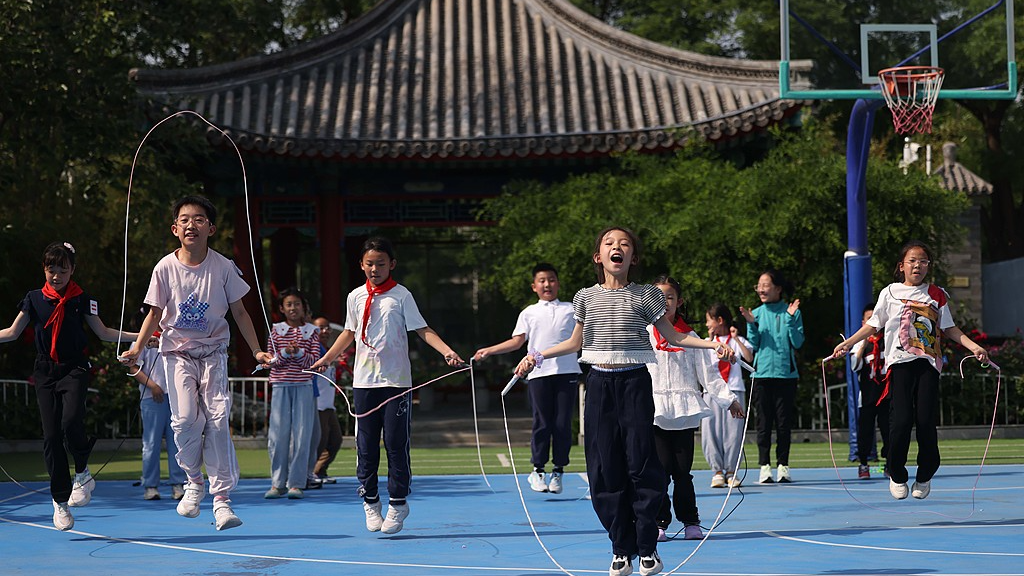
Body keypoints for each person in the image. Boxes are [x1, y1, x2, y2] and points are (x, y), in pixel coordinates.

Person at [514, 227, 734, 576]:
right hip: (599, 384)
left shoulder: (647, 295)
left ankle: (647, 548)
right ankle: (621, 548)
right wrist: (537, 356)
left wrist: (713, 344)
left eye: (625, 244)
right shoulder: (585, 297)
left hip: (635, 383)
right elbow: (574, 343)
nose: (617, 247)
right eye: (609, 243)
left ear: (633, 258)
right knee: (604, 469)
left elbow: (675, 336)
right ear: (598, 256)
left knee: (642, 465)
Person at [120, 194, 273, 530]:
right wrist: (137, 349)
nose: (192, 224)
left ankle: (222, 500)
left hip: (214, 353)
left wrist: (257, 351)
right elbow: (154, 314)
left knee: (217, 421)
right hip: (177, 355)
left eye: (199, 219)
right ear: (175, 229)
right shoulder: (164, 267)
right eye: (185, 220)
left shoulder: (223, 267)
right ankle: (193, 481)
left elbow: (240, 312)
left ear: (211, 228)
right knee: (186, 419)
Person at [311, 236, 465, 535]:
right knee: (366, 446)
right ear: (361, 265)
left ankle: (398, 502)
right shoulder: (355, 296)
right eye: (369, 263)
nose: (375, 269)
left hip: (396, 382)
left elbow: (422, 329)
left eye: (381, 264)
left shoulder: (402, 295)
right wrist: (327, 358)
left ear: (391, 264)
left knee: (395, 444)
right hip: (364, 383)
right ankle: (370, 501)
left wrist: (446, 351)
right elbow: (349, 332)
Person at [832, 240, 987, 500]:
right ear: (901, 266)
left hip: (928, 365)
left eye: (923, 261)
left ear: (929, 266)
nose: (918, 266)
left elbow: (949, 328)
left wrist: (974, 347)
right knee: (901, 420)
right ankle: (896, 473)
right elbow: (873, 325)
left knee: (925, 421)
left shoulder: (936, 294)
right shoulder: (889, 293)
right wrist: (849, 343)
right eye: (912, 261)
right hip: (900, 365)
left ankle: (925, 474)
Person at [0, 241, 138, 530]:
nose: (56, 276)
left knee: (71, 420)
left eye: (63, 270)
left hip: (74, 368)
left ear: (73, 270)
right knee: (51, 436)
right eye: (51, 269)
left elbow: (103, 332)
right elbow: (12, 332)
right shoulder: (33, 299)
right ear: (44, 269)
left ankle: (83, 472)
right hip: (45, 371)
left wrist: (140, 337)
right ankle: (60, 502)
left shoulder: (82, 299)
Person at [647, 276, 744, 543]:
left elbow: (709, 375)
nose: (664, 303)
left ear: (679, 302)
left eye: (669, 297)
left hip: (684, 413)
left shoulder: (691, 338)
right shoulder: (644, 334)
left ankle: (690, 521)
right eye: (658, 297)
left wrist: (729, 400)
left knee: (682, 472)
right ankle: (659, 523)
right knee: (659, 472)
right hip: (655, 412)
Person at [473, 262, 581, 494]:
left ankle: (558, 471)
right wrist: (489, 350)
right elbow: (517, 342)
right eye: (542, 281)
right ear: (534, 286)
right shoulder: (529, 313)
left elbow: (580, 340)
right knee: (542, 422)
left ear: (558, 283)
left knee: (562, 424)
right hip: (539, 374)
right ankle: (538, 470)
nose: (547, 284)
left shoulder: (571, 309)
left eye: (551, 280)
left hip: (567, 373)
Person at [740, 268, 804, 484]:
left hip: (786, 375)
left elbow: (798, 342)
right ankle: (764, 466)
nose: (761, 289)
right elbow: (754, 345)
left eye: (766, 285)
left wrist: (790, 319)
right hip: (762, 375)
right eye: (759, 286)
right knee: (763, 423)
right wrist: (751, 323)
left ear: (778, 288)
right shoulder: (756, 314)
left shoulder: (791, 311)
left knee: (784, 424)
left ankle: (783, 466)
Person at [263, 288, 321, 500]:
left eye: (297, 304)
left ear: (303, 307)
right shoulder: (276, 330)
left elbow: (314, 361)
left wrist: (299, 352)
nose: (293, 308)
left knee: (302, 435)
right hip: (280, 385)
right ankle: (277, 483)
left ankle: (296, 483)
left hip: (303, 385)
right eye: (289, 304)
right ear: (282, 308)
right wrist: (285, 353)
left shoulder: (312, 331)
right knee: (278, 435)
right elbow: (270, 361)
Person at [123, 306, 185, 501]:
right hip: (152, 398)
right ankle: (150, 485)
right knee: (151, 443)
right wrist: (153, 386)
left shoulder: (173, 338)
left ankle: (178, 483)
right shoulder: (140, 340)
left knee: (177, 443)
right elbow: (133, 367)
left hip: (175, 397)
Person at [702, 303, 754, 489]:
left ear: (720, 320)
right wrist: (709, 340)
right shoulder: (706, 342)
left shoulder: (736, 340)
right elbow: (701, 364)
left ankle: (731, 471)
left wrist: (737, 339)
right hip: (712, 392)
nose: (707, 324)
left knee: (734, 432)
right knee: (710, 431)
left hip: (734, 390)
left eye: (709, 320)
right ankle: (717, 472)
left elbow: (749, 358)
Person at [851, 304, 889, 479]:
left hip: (887, 394)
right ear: (863, 322)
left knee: (889, 429)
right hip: (867, 395)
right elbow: (855, 366)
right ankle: (864, 463)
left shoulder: (888, 340)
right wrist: (863, 344)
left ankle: (889, 463)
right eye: (869, 319)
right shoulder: (860, 342)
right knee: (865, 431)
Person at [312, 316, 344, 483]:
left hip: (328, 404)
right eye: (320, 328)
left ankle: (319, 471)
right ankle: (308, 473)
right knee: (320, 440)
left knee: (335, 440)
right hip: (317, 403)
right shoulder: (313, 349)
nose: (324, 332)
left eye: (327, 328)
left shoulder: (329, 351)